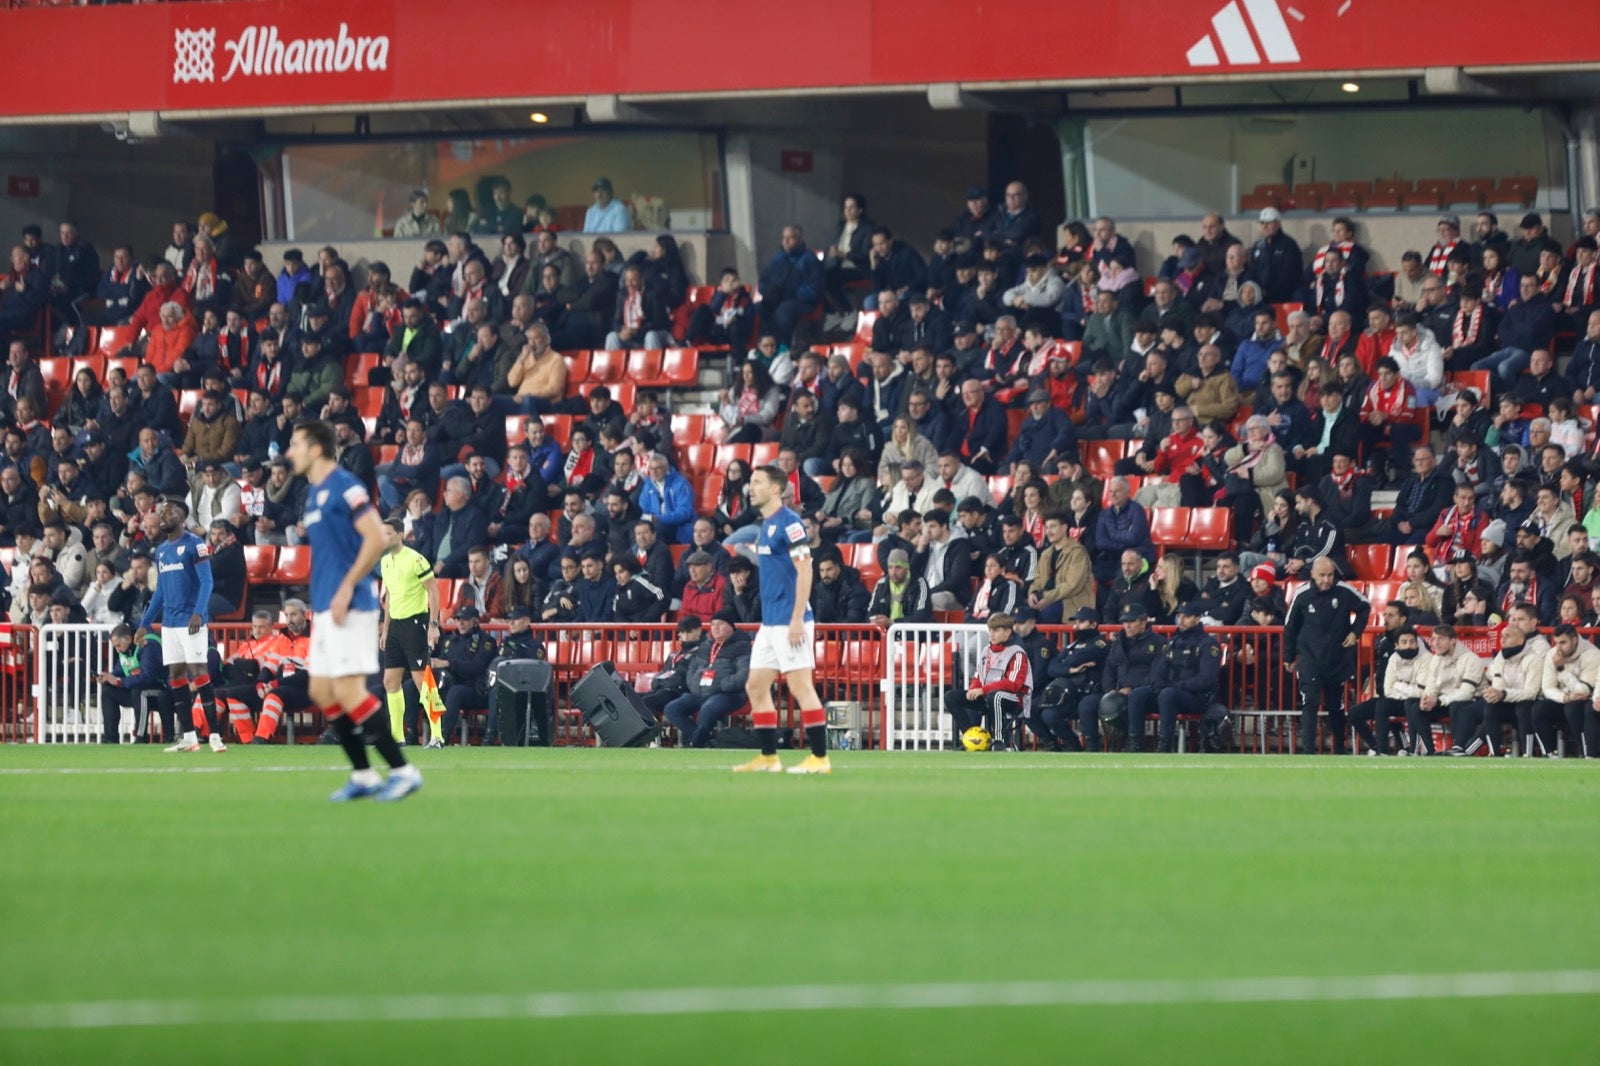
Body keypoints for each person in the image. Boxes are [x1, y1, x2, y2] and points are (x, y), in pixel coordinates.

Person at [287, 420, 420, 801]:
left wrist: (347, 586)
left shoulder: (345, 486)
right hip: (328, 603)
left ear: (316, 449)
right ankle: (363, 775)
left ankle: (403, 770)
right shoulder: (314, 495)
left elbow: (376, 537)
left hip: (351, 602)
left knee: (346, 689)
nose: (290, 452)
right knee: (322, 689)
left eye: (296, 444)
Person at [732, 464, 831, 774]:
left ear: (776, 489)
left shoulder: (790, 524)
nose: (751, 487)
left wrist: (798, 618)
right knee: (756, 687)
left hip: (791, 619)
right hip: (770, 622)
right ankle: (769, 757)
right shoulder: (766, 524)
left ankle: (819, 758)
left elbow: (806, 569)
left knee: (801, 687)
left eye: (757, 482)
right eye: (750, 482)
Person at [135, 499, 224, 754]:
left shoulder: (195, 545)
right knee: (176, 675)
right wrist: (145, 624)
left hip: (191, 620)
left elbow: (207, 581)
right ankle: (189, 737)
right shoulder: (161, 550)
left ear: (182, 518)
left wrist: (199, 613)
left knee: (198, 669)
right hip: (170, 623)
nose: (162, 515)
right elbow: (160, 591)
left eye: (169, 512)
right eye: (160, 511)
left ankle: (216, 735)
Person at [1282, 557, 1369, 754]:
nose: (1327, 580)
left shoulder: (1344, 591)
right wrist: (1288, 656)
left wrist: (1355, 632)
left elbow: (1365, 606)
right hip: (1309, 658)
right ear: (1312, 574)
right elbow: (1290, 626)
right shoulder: (1302, 594)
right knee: (1310, 702)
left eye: (1330, 575)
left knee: (1335, 706)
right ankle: (1308, 752)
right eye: (1322, 575)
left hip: (1336, 659)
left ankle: (1339, 748)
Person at [378, 519, 445, 747]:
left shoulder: (416, 559)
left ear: (399, 535)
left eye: (387, 534)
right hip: (395, 626)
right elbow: (389, 598)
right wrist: (386, 629)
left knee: (421, 680)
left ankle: (437, 734)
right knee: (390, 681)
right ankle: (397, 738)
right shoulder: (385, 562)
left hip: (416, 624)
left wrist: (433, 624)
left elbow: (433, 592)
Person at [1137, 601, 1222, 753]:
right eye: (1179, 616)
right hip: (1169, 693)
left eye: (1186, 616)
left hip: (1196, 698)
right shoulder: (1172, 642)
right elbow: (1158, 669)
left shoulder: (1208, 644)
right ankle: (1134, 743)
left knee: (1167, 694)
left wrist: (1175, 686)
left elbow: (1206, 679)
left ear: (1197, 619)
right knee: (1139, 694)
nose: (1181, 620)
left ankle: (1165, 745)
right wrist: (1157, 683)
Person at [1080, 602, 1166, 752]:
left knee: (1136, 697)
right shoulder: (1119, 643)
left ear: (1143, 622)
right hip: (1119, 692)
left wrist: (1132, 688)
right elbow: (1109, 669)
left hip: (1147, 692)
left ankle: (1134, 743)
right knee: (1088, 703)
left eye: (1131, 621)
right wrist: (1110, 689)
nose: (1127, 625)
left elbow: (1157, 673)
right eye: (1125, 621)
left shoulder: (1158, 642)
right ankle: (1091, 746)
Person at [944, 613, 1034, 750]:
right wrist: (974, 688)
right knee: (951, 697)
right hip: (989, 695)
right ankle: (974, 739)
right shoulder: (986, 650)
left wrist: (983, 690)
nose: (991, 634)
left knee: (995, 696)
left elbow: (1013, 684)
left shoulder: (1017, 653)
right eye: (990, 630)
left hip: (1016, 699)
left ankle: (999, 742)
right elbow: (979, 676)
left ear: (1008, 632)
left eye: (996, 630)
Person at [664, 611, 752, 748]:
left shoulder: (742, 646)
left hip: (728, 694)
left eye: (720, 624)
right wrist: (695, 686)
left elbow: (743, 675)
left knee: (708, 708)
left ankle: (697, 742)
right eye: (713, 624)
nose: (716, 627)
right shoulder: (706, 646)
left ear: (731, 627)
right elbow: (691, 670)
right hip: (699, 692)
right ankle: (705, 741)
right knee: (671, 708)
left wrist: (719, 686)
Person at [1406, 624, 1486, 757]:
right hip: (1445, 701)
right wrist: (1426, 699)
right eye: (1433, 639)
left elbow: (1466, 693)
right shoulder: (1436, 659)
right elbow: (1431, 687)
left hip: (1471, 701)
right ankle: (1429, 751)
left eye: (1441, 639)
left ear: (1453, 641)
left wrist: (1437, 701)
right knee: (1415, 707)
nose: (1435, 643)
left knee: (1456, 706)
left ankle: (1457, 748)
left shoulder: (1471, 659)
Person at [1534, 622, 1600, 757]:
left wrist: (1562, 670)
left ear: (1574, 640)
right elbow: (1547, 688)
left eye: (1563, 642)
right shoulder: (1553, 654)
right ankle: (1549, 753)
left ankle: (1586, 752)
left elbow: (1583, 690)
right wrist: (1565, 697)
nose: (1558, 647)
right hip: (1565, 699)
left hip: (1583, 702)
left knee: (1573, 708)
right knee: (1539, 709)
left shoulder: (1592, 654)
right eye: (1556, 642)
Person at [95, 624, 167, 744]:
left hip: (160, 691)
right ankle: (110, 738)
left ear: (128, 639)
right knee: (108, 690)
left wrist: (119, 681)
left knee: (139, 692)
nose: (117, 650)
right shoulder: (124, 651)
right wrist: (108, 677)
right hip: (138, 692)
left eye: (118, 646)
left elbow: (148, 677)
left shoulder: (148, 646)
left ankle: (140, 737)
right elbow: (120, 671)